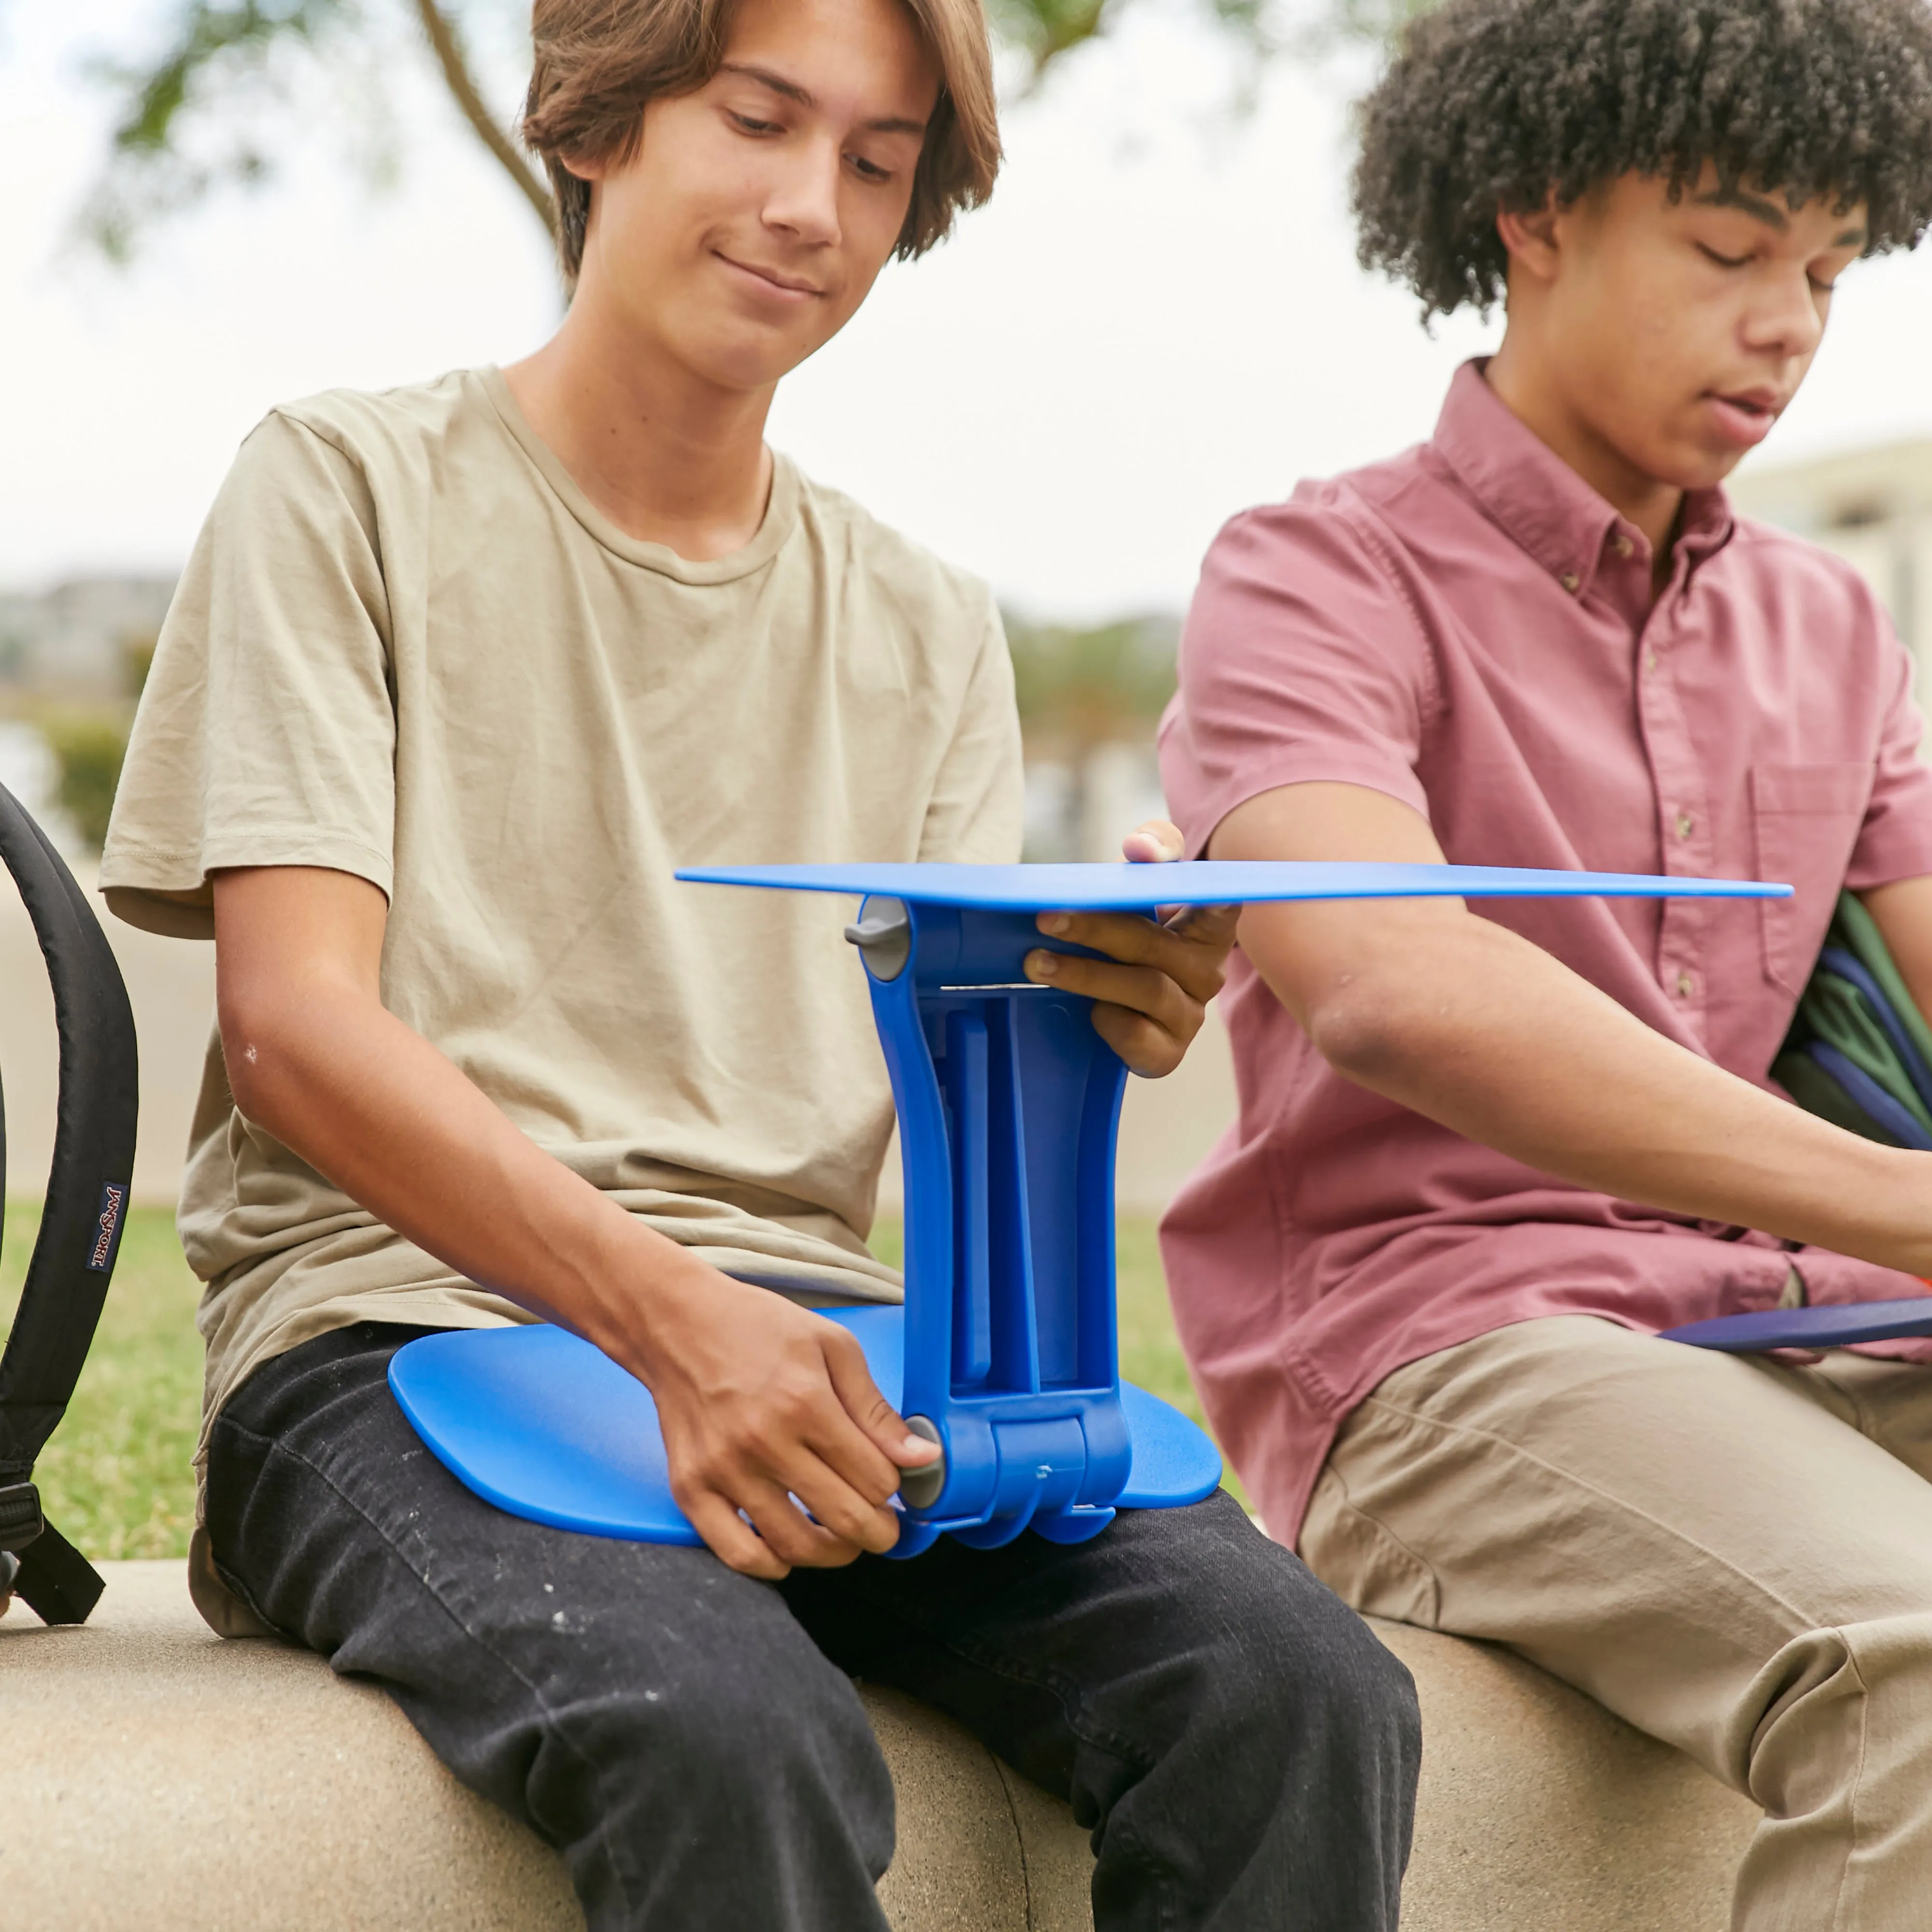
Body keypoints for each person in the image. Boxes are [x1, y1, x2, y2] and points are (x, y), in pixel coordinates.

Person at [61, 0, 1421, 1924]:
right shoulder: (343, 489)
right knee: (724, 1724)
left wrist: (1104, 996)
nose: (812, 207)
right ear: (594, 118)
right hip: (391, 1333)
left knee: (1299, 1691)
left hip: (816, 1343)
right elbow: (292, 1029)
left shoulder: (926, 620)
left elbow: (940, 1059)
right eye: (760, 121)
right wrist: (672, 1327)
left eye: (875, 163)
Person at [1155, 0, 1932, 1923]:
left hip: (1803, 1326)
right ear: (1530, 212)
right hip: (1441, 1352)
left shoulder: (1832, 628)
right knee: (1916, 1660)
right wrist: (1904, 1201)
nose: (1788, 324)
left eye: (1827, 272)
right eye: (1731, 247)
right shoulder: (1313, 576)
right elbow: (1392, 986)